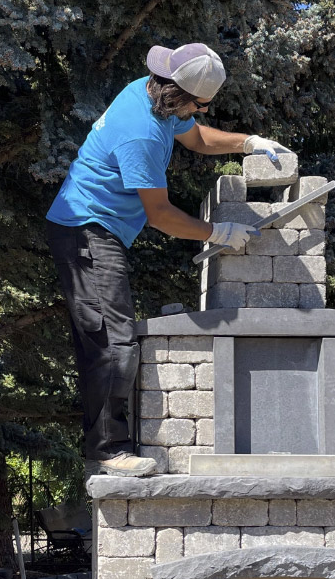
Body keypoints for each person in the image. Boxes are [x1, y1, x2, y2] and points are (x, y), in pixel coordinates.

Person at [46, 42, 285, 477]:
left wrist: (247, 143)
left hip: (96, 229)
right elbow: (160, 215)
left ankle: (108, 444)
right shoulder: (141, 133)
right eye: (202, 104)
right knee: (111, 342)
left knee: (112, 338)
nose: (205, 113)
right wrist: (219, 233)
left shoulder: (150, 93)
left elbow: (195, 137)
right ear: (178, 96)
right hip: (85, 232)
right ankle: (106, 451)